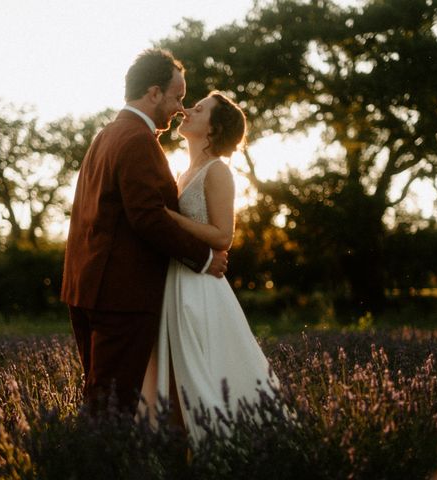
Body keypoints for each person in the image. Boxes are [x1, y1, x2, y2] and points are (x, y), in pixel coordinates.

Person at [61, 49, 228, 415]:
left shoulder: (107, 134)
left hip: (87, 286)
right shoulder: (137, 140)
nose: (181, 108)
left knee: (100, 397)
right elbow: (148, 218)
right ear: (154, 93)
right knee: (112, 407)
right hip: (121, 296)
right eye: (177, 96)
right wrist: (204, 259)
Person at [139, 92, 282, 443]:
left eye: (199, 109)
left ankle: (218, 443)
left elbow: (223, 236)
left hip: (198, 287)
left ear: (214, 129)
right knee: (174, 370)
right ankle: (178, 448)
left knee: (201, 368)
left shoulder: (218, 171)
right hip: (175, 280)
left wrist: (167, 217)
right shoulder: (184, 171)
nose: (188, 110)